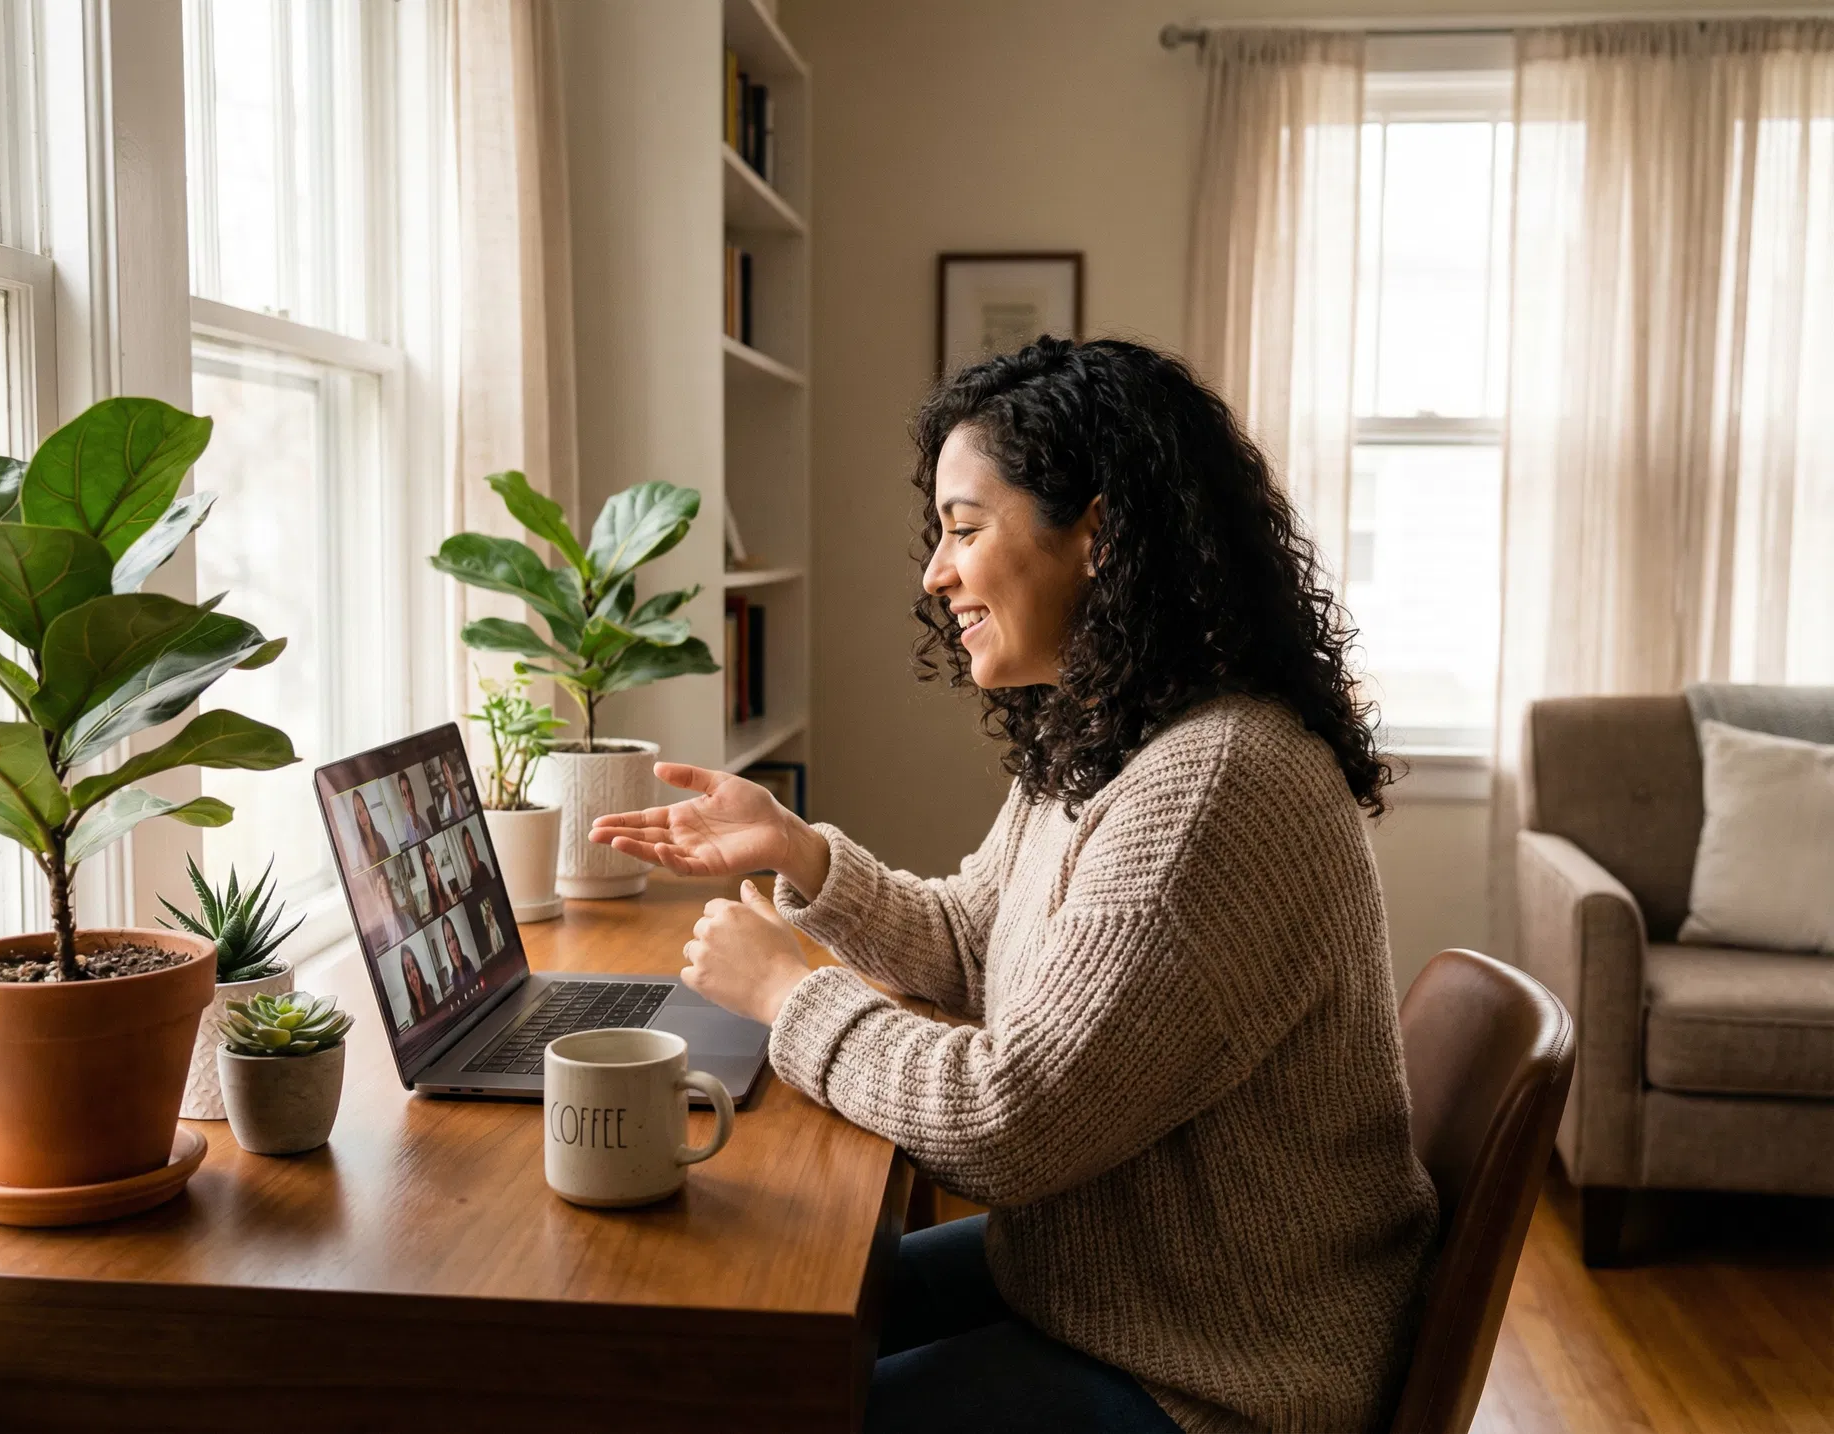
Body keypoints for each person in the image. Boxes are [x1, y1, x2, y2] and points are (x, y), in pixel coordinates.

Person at [589, 338, 1440, 1434]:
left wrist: (788, 998)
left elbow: (1008, 1125)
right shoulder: (1114, 738)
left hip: (1220, 1373)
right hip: (1111, 1289)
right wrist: (796, 853)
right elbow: (975, 940)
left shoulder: (1211, 784)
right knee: (728, 1328)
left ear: (1099, 533)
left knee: (756, 1388)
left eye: (963, 527)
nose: (934, 574)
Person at [348, 789, 390, 868]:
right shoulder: (361, 851)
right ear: (357, 819)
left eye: (364, 808)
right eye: (359, 813)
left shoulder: (380, 838)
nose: (363, 815)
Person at [392, 771, 430, 847]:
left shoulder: (425, 826)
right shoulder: (404, 832)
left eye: (409, 792)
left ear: (413, 794)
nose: (409, 800)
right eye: (405, 795)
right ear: (403, 800)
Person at [400, 946, 435, 1022]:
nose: (412, 974)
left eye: (413, 967)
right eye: (408, 971)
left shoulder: (434, 992)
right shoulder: (410, 1015)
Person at [442, 918, 478, 985]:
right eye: (448, 941)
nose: (453, 946)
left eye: (453, 937)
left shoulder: (467, 962)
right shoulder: (453, 978)